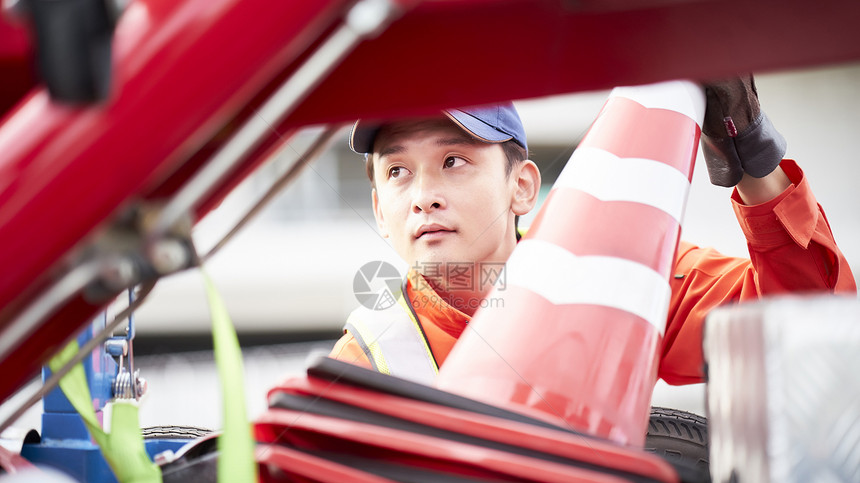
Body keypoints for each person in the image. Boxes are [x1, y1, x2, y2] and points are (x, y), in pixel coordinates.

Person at [329, 77, 856, 385]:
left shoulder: (613, 278)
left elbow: (806, 324)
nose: (423, 195)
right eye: (398, 171)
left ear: (522, 188)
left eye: (453, 160)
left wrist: (751, 156)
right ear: (379, 209)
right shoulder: (362, 365)